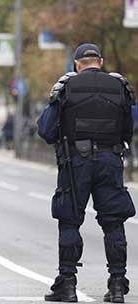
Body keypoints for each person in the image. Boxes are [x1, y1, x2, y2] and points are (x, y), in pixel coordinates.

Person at [38, 43, 136, 303]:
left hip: (76, 162)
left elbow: (46, 130)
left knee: (69, 220)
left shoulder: (67, 86)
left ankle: (67, 285)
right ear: (100, 62)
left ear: (77, 64)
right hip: (110, 160)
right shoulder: (121, 87)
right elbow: (129, 129)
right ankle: (117, 285)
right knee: (113, 221)